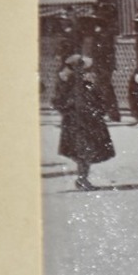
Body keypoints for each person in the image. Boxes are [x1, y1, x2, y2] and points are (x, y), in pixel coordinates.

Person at [53, 55, 114, 191]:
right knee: (83, 151)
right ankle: (82, 179)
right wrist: (70, 110)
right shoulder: (69, 85)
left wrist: (98, 110)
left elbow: (98, 100)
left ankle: (82, 178)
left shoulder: (85, 84)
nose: (84, 72)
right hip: (78, 123)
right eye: (79, 68)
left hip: (87, 122)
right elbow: (59, 102)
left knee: (85, 151)